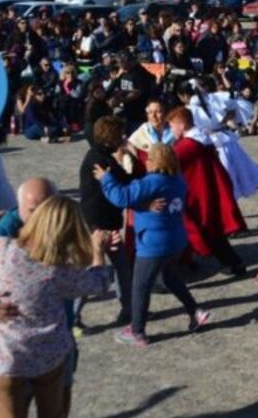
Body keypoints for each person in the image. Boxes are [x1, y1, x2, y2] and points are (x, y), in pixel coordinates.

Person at [0, 195, 114, 418]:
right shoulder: (60, 271)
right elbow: (100, 283)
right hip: (49, 357)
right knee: (53, 417)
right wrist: (98, 251)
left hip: (5, 359)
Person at [96, 143, 210, 346]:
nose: (146, 161)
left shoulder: (152, 182)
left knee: (140, 286)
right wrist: (143, 205)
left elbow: (122, 197)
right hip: (176, 241)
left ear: (158, 161)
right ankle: (195, 311)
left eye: (149, 158)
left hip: (153, 244)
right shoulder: (178, 180)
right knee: (170, 278)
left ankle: (137, 331)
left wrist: (106, 179)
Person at [166, 107, 248, 276]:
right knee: (208, 232)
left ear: (181, 125)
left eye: (172, 125)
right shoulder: (201, 141)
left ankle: (234, 264)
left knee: (205, 232)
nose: (171, 129)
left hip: (198, 195)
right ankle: (189, 261)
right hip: (205, 192)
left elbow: (167, 163)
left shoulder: (188, 145)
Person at [77, 116, 135, 327]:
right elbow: (126, 182)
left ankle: (128, 308)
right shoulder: (100, 160)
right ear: (111, 136)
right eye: (120, 133)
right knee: (97, 269)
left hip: (101, 222)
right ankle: (74, 315)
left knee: (118, 267)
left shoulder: (101, 156)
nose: (123, 136)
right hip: (99, 225)